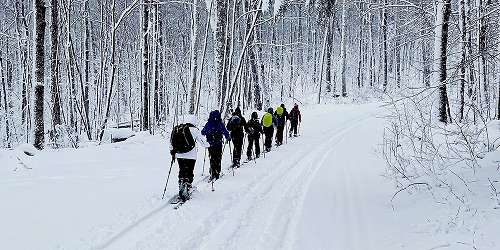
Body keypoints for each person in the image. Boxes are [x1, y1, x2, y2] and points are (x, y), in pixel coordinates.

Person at [170, 116, 209, 201]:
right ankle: (187, 186)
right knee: (189, 171)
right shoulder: (194, 130)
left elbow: (171, 142)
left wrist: (172, 152)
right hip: (191, 156)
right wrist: (209, 144)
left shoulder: (177, 129)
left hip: (179, 155)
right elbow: (203, 143)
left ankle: (181, 182)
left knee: (182, 170)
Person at [201, 110, 231, 181]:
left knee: (212, 157)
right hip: (218, 143)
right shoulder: (220, 123)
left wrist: (208, 132)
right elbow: (225, 131)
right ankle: (217, 172)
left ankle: (212, 172)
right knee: (218, 157)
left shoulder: (208, 123)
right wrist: (228, 137)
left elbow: (203, 132)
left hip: (210, 144)